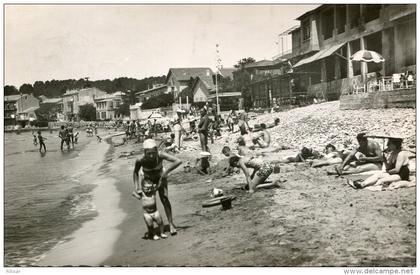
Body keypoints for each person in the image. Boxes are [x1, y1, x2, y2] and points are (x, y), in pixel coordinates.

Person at [133, 139, 182, 235]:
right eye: (149, 153)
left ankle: (171, 224)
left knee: (165, 198)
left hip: (160, 177)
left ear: (156, 150)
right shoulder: (140, 160)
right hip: (148, 180)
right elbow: (135, 172)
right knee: (149, 203)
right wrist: (136, 187)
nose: (151, 156)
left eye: (153, 153)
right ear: (144, 152)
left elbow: (178, 161)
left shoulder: (160, 155)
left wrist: (166, 172)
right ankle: (152, 227)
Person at [347, 138, 411, 189]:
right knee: (377, 175)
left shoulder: (401, 154)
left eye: (389, 143)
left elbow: (397, 170)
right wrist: (385, 160)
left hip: (401, 175)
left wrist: (388, 172)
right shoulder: (393, 153)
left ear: (395, 144)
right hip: (394, 173)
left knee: (381, 180)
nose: (387, 145)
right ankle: (362, 184)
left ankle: (362, 185)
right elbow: (388, 167)